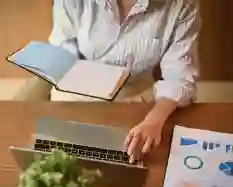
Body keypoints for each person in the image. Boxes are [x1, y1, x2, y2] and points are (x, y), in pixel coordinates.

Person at [14, 0, 201, 162]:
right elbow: (64, 48)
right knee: (46, 148)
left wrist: (153, 121)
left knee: (129, 156)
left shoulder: (182, 5)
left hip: (132, 90)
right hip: (74, 84)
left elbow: (179, 77)